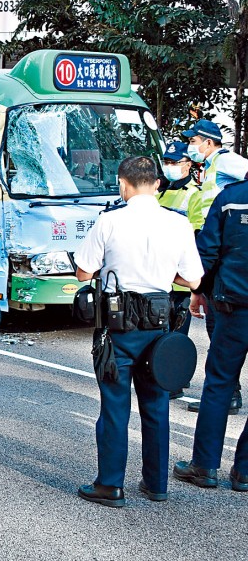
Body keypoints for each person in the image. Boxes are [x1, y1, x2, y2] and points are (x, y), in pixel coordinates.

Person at [73, 156, 203, 508]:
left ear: (123, 184)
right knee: (157, 404)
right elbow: (193, 279)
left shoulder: (109, 221)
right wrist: (163, 277)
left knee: (115, 406)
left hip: (118, 327)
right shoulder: (178, 224)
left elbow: (84, 272)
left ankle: (111, 486)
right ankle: (156, 483)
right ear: (158, 184)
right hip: (160, 326)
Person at [173, 179, 248, 492]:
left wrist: (198, 291)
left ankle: (204, 466)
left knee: (219, 384)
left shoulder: (232, 198)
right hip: (234, 301)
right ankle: (244, 471)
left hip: (235, 306)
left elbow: (207, 252)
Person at [181, 119, 248, 414]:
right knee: (214, 326)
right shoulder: (210, 168)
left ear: (209, 142)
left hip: (225, 251)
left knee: (219, 328)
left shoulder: (227, 161)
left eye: (193, 141)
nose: (190, 147)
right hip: (216, 247)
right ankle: (227, 392)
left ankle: (227, 394)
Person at [157, 141, 203, 340]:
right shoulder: (160, 191)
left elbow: (196, 236)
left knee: (175, 339)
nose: (170, 166)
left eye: (174, 162)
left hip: (179, 281)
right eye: (167, 161)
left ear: (188, 164)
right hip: (156, 277)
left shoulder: (195, 195)